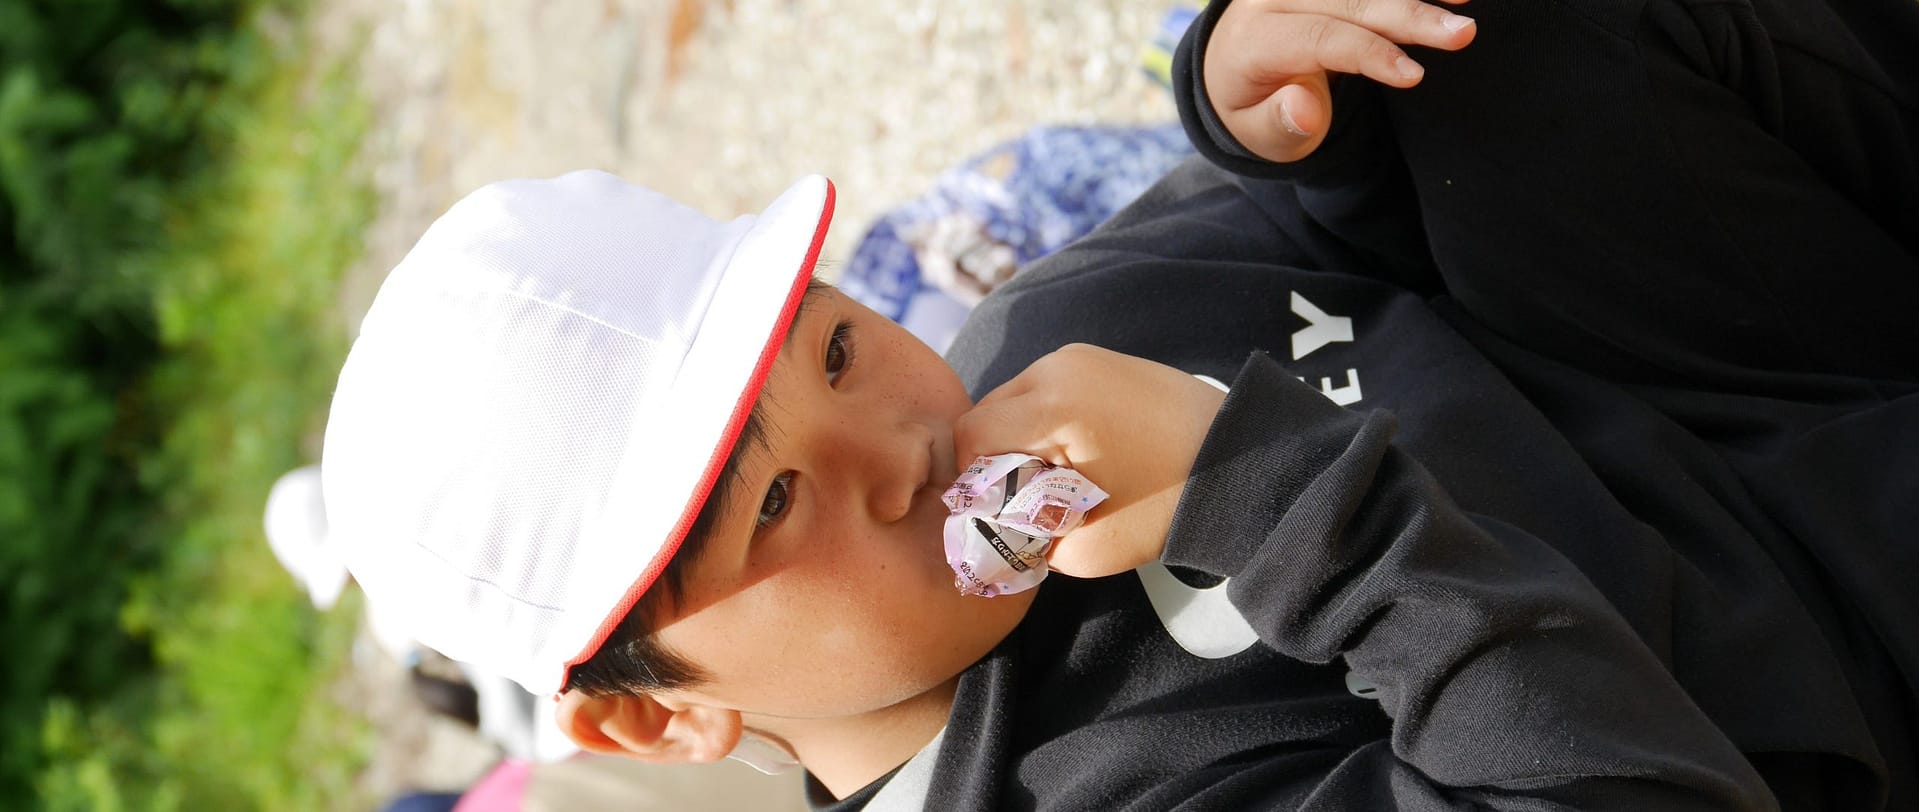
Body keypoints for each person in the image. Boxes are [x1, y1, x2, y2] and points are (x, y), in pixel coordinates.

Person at [319, 0, 1918, 809]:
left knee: (1450, 43)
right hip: (1846, 675)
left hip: (1751, 379)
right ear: (658, 718)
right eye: (776, 503)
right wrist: (1288, 502)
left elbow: (1347, 229)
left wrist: (1281, 113)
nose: (899, 446)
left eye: (835, 351)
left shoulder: (1050, 334)